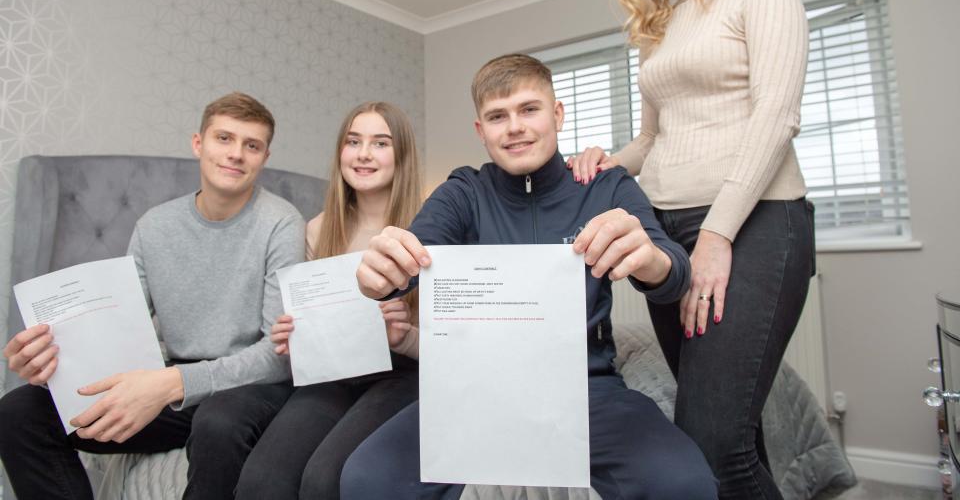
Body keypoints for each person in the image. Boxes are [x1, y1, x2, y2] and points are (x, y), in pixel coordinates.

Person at [341, 54, 717, 500]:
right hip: (474, 393)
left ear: (557, 114)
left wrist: (651, 259)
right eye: (498, 116)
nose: (514, 127)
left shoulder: (605, 187)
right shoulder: (463, 193)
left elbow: (673, 273)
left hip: (587, 391)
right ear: (481, 131)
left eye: (529, 109)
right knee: (366, 479)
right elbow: (406, 261)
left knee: (684, 484)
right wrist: (378, 274)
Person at [566, 0, 815, 499]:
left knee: (708, 442)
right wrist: (605, 161)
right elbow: (655, 138)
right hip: (667, 231)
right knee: (736, 437)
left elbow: (776, 114)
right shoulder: (658, 24)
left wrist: (717, 233)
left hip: (753, 221)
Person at [0, 92, 305, 500]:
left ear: (264, 157)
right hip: (169, 381)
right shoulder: (154, 226)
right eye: (224, 139)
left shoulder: (281, 222)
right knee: (20, 411)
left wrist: (171, 383)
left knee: (219, 423)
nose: (236, 154)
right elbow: (117, 330)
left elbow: (276, 355)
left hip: (245, 387)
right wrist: (54, 365)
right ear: (199, 143)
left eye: (251, 145)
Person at [235, 101, 421, 500]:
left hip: (403, 373)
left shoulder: (428, 224)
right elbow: (310, 324)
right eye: (353, 141)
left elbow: (456, 342)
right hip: (333, 373)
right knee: (261, 481)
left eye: (380, 143)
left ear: (401, 155)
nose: (364, 154)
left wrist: (405, 334)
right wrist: (291, 336)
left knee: (325, 478)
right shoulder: (318, 229)